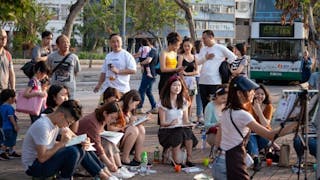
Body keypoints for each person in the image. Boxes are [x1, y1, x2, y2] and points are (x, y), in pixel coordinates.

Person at [213, 76, 298, 179]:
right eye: (250, 91)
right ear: (239, 93)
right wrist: (296, 124)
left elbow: (218, 138)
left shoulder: (226, 110)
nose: (254, 93)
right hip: (232, 163)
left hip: (220, 161)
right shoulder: (243, 114)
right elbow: (270, 135)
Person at [21, 100, 114, 180]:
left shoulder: (56, 121)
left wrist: (85, 141)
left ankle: (101, 172)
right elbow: (42, 158)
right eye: (69, 122)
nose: (68, 126)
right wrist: (61, 144)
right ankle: (67, 177)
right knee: (72, 151)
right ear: (61, 115)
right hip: (34, 167)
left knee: (79, 145)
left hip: (45, 160)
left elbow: (75, 137)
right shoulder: (43, 126)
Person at [76, 102, 135, 179]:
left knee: (109, 141)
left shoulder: (99, 117)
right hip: (83, 150)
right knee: (106, 144)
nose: (112, 121)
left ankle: (118, 167)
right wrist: (109, 164)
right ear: (105, 113)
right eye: (112, 117)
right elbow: (98, 147)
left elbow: (98, 135)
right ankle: (114, 169)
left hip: (88, 145)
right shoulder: (92, 122)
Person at [158, 75, 198, 167]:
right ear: (169, 87)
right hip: (166, 131)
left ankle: (189, 158)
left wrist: (191, 124)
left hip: (180, 128)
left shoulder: (183, 101)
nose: (177, 88)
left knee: (187, 130)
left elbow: (186, 120)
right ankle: (177, 160)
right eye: (175, 85)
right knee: (179, 132)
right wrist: (170, 123)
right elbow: (162, 123)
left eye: (179, 86)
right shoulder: (163, 102)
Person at [197, 30, 236, 111]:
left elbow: (233, 57)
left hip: (215, 81)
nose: (203, 40)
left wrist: (224, 64)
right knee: (205, 104)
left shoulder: (220, 48)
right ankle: (206, 121)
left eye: (204, 38)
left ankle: (216, 121)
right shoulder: (203, 49)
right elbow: (197, 62)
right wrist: (205, 58)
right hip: (202, 80)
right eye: (202, 38)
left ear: (211, 37)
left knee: (215, 103)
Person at [106, 90, 146, 166]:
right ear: (130, 100)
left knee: (141, 128)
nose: (135, 107)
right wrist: (127, 125)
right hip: (115, 138)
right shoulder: (115, 107)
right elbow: (109, 128)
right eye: (135, 104)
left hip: (124, 137)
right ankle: (125, 158)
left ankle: (137, 157)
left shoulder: (127, 109)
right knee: (133, 129)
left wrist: (136, 121)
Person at [245, 84, 279, 171]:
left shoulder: (268, 106)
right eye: (257, 93)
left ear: (266, 95)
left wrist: (259, 110)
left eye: (262, 94)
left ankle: (256, 157)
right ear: (253, 94)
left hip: (264, 134)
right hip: (251, 134)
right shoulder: (248, 105)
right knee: (252, 137)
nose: (260, 96)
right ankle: (257, 158)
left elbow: (265, 125)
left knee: (259, 136)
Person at [47, 34, 81, 99]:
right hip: (55, 90)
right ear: (58, 45)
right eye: (63, 42)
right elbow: (48, 71)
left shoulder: (74, 57)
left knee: (69, 108)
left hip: (69, 90)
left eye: (67, 42)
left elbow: (76, 72)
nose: (66, 44)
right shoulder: (51, 57)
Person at [177, 37, 198, 120]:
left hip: (192, 81)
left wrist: (187, 73)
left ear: (192, 46)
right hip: (183, 80)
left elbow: (197, 71)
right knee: (183, 100)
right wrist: (183, 81)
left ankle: (189, 118)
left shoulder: (194, 57)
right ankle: (182, 118)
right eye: (185, 46)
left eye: (188, 46)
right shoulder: (181, 56)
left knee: (191, 101)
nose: (186, 48)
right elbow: (179, 70)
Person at [136, 39, 158, 114]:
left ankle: (139, 107)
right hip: (151, 74)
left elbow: (148, 60)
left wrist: (141, 63)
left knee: (141, 90)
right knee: (148, 91)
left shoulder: (152, 51)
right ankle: (154, 107)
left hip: (150, 74)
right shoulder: (152, 50)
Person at [0, 89, 20, 160]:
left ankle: (11, 151)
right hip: (9, 127)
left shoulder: (1, 107)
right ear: (10, 98)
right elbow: (11, 117)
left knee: (12, 139)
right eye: (14, 97)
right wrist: (15, 125)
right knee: (8, 141)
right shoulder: (9, 107)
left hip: (4, 127)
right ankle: (2, 152)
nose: (15, 99)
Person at [0, 29, 15, 93]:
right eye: (1, 37)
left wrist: (13, 89)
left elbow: (11, 73)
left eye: (5, 37)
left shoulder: (8, 54)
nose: (4, 39)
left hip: (5, 92)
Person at [194, 40, 204, 125]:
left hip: (195, 77)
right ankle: (200, 116)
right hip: (201, 77)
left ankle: (198, 116)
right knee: (200, 98)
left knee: (196, 98)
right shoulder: (203, 56)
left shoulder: (194, 56)